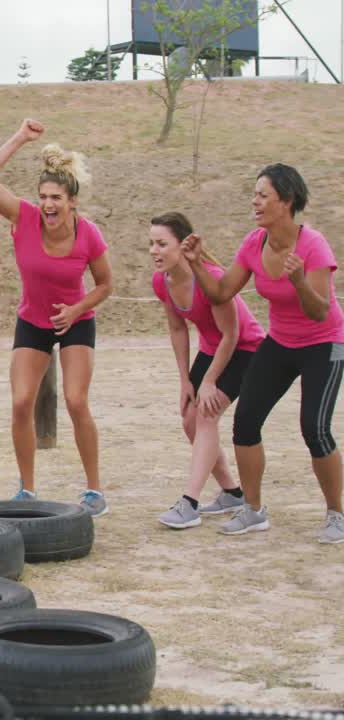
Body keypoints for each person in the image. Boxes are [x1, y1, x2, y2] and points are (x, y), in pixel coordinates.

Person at [181, 164, 344, 543]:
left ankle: (336, 513)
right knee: (246, 422)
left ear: (285, 202)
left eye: (263, 195)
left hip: (325, 343)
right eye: (254, 194)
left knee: (314, 429)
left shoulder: (313, 244)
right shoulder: (254, 242)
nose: (255, 201)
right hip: (281, 342)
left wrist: (299, 279)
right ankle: (253, 511)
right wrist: (196, 262)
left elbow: (319, 311)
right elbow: (222, 293)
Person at [0, 120, 114, 516]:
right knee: (20, 403)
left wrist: (77, 309)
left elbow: (104, 285)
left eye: (56, 198)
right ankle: (27, 491)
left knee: (75, 400)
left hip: (75, 321)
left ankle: (94, 490)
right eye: (44, 196)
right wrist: (18, 138)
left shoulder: (88, 234)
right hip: (33, 320)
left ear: (72, 201)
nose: (48, 204)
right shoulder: (25, 218)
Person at [149, 212, 265, 529]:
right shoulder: (162, 282)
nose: (154, 251)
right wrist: (186, 380)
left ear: (183, 245)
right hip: (212, 349)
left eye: (162, 243)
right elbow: (177, 330)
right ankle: (232, 491)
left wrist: (210, 381)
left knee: (206, 414)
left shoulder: (210, 276)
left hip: (247, 349)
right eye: (151, 244)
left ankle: (189, 503)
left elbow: (233, 335)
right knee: (189, 419)